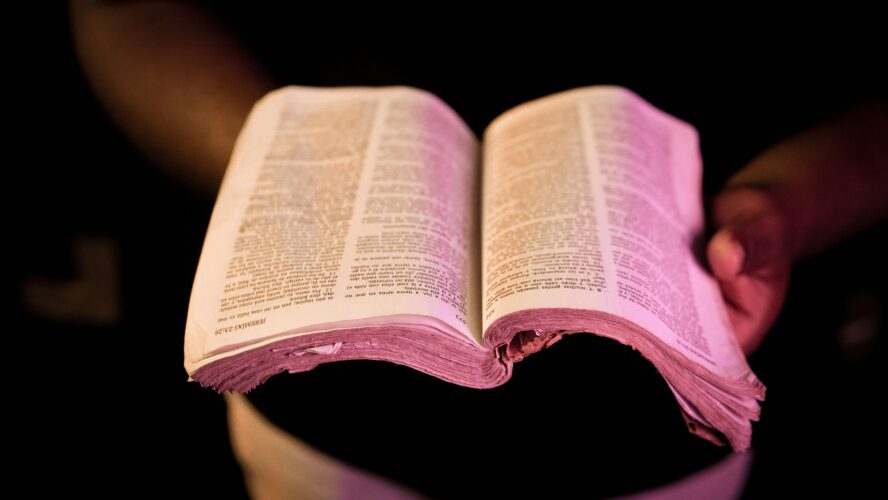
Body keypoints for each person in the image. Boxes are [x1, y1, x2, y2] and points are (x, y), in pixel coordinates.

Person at [71, 1, 887, 497]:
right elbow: (127, 9)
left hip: (655, 435)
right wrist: (278, 165)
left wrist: (790, 203)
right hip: (330, 422)